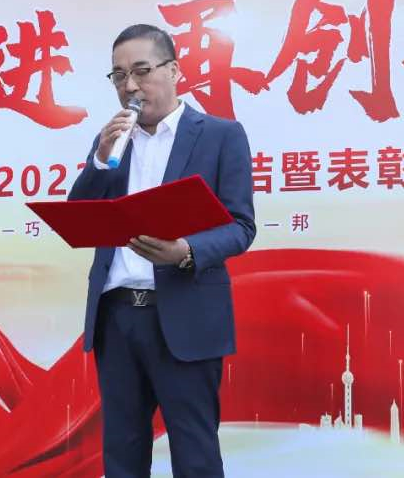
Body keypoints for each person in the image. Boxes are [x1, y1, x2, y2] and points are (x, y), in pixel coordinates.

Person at [68, 24, 256, 477]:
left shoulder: (220, 136)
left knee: (195, 455)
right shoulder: (111, 141)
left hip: (184, 314)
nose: (130, 86)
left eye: (141, 71)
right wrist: (100, 159)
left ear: (174, 71)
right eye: (118, 76)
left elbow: (241, 226)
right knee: (122, 453)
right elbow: (79, 215)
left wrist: (185, 251)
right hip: (117, 318)